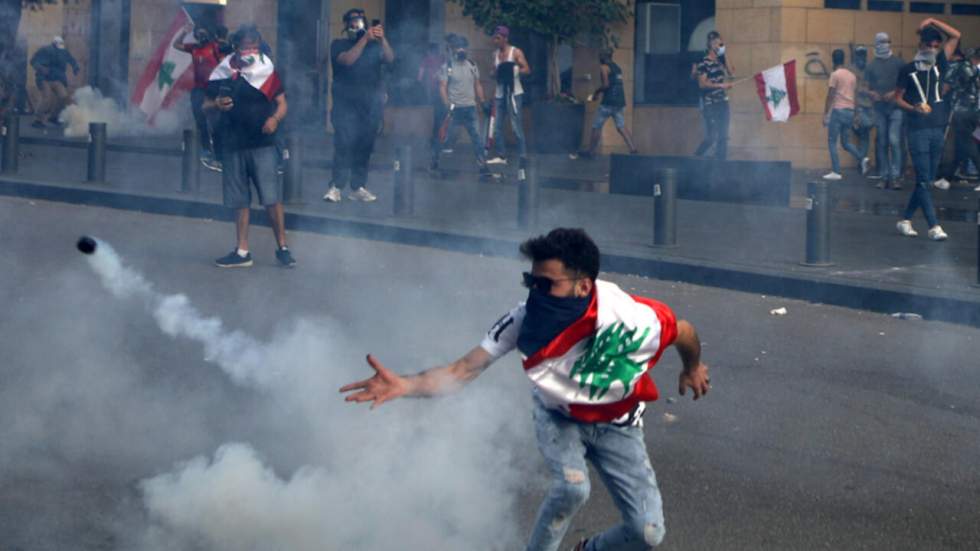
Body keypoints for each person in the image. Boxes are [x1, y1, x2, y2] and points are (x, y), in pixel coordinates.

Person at [340, 227, 711, 551]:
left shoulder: (632, 320)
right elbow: (462, 369)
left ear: (583, 285)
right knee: (572, 488)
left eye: (547, 284)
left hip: (619, 424)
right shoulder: (523, 319)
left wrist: (692, 367)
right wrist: (405, 384)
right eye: (531, 281)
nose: (536, 292)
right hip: (559, 416)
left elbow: (684, 330)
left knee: (647, 533)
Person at [205, 25, 295, 268]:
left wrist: (274, 119)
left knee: (271, 198)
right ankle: (242, 251)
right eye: (246, 47)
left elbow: (282, 103)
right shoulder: (223, 71)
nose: (250, 51)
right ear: (236, 47)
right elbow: (205, 104)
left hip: (262, 144)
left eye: (254, 46)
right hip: (232, 143)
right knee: (240, 200)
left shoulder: (267, 70)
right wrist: (217, 104)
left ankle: (283, 248)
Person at [894, 18, 959, 241]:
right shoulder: (907, 69)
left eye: (935, 46)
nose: (932, 49)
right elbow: (897, 99)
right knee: (923, 180)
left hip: (937, 128)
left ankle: (905, 220)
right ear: (921, 45)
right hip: (917, 130)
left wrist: (932, 21)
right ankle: (934, 226)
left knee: (927, 180)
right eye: (929, 45)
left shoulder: (940, 63)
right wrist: (914, 108)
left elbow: (955, 36)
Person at [322, 8, 394, 204]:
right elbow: (347, 60)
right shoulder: (339, 44)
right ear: (347, 25)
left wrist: (381, 39)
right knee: (344, 144)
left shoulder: (373, 46)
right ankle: (336, 186)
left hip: (369, 106)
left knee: (364, 146)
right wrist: (364, 39)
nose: (357, 24)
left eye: (361, 20)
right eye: (353, 21)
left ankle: (358, 186)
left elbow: (389, 59)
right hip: (345, 105)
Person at [173, 22, 228, 171]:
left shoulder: (216, 47)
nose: (200, 36)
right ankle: (206, 149)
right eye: (198, 33)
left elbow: (226, 63)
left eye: (203, 33)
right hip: (198, 89)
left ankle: (219, 155)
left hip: (214, 89)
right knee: (200, 119)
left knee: (215, 122)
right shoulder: (194, 48)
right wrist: (184, 32)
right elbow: (176, 45)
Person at [434, 34, 490, 177]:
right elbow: (442, 86)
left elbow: (477, 84)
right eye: (458, 47)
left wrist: (482, 101)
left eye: (463, 47)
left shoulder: (472, 65)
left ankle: (483, 166)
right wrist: (447, 104)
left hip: (470, 108)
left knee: (477, 138)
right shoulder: (447, 67)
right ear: (452, 49)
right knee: (446, 138)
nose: (461, 50)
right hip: (454, 109)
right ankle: (434, 162)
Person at [570, 48, 637, 160]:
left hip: (608, 102)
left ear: (604, 57)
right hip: (619, 102)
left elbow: (606, 85)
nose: (599, 59)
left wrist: (596, 92)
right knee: (621, 126)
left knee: (596, 126)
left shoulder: (603, 67)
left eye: (600, 56)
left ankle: (591, 152)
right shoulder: (617, 68)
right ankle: (633, 149)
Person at [864, 32, 905, 189]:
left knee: (894, 141)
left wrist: (894, 93)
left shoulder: (899, 63)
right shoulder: (871, 65)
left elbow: (906, 85)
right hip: (879, 108)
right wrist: (871, 93)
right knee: (882, 142)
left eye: (886, 41)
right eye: (881, 41)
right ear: (875, 44)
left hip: (896, 108)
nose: (884, 44)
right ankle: (883, 176)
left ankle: (895, 177)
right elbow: (864, 86)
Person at [486, 25, 530, 166]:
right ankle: (501, 156)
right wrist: (495, 73)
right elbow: (492, 72)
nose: (495, 41)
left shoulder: (515, 52)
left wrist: (512, 69)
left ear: (505, 38)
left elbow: (527, 69)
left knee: (516, 126)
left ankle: (523, 156)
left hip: (514, 94)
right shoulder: (495, 55)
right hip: (500, 94)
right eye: (494, 38)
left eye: (498, 38)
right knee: (497, 127)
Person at [822, 49, 869, 180]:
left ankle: (836, 171)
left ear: (833, 60)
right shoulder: (851, 75)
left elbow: (830, 95)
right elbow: (856, 96)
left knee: (832, 141)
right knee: (846, 142)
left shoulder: (835, 75)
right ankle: (862, 157)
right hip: (849, 111)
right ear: (843, 59)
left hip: (838, 111)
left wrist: (826, 114)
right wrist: (856, 114)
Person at [943, 47, 980, 193]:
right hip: (974, 110)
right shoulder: (974, 70)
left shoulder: (963, 68)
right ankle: (947, 177)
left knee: (966, 142)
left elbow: (946, 87)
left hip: (963, 110)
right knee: (963, 143)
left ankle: (947, 177)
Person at [694, 31, 732, 160]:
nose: (718, 45)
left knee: (723, 135)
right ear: (710, 44)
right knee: (712, 136)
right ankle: (695, 159)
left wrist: (724, 54)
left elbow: (731, 73)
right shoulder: (703, 62)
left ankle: (721, 164)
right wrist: (721, 86)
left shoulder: (720, 61)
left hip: (723, 101)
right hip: (710, 103)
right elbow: (702, 84)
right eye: (715, 42)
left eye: (720, 42)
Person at [29, 36, 78, 129]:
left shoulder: (63, 52)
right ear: (54, 43)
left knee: (63, 97)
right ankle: (38, 120)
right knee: (46, 98)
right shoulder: (45, 50)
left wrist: (75, 67)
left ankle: (54, 117)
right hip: (44, 79)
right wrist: (41, 68)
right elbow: (33, 61)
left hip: (57, 79)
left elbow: (71, 59)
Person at [419, 41, 448, 164]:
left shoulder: (427, 59)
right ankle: (440, 140)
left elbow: (419, 76)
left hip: (434, 90)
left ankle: (436, 140)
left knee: (438, 116)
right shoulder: (442, 59)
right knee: (442, 115)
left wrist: (421, 87)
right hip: (442, 89)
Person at [849, 46, 874, 177]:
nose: (861, 59)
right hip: (857, 107)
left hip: (868, 107)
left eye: (863, 56)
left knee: (864, 136)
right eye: (859, 56)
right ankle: (862, 160)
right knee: (862, 133)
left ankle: (862, 162)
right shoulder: (851, 70)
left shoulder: (869, 69)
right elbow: (854, 89)